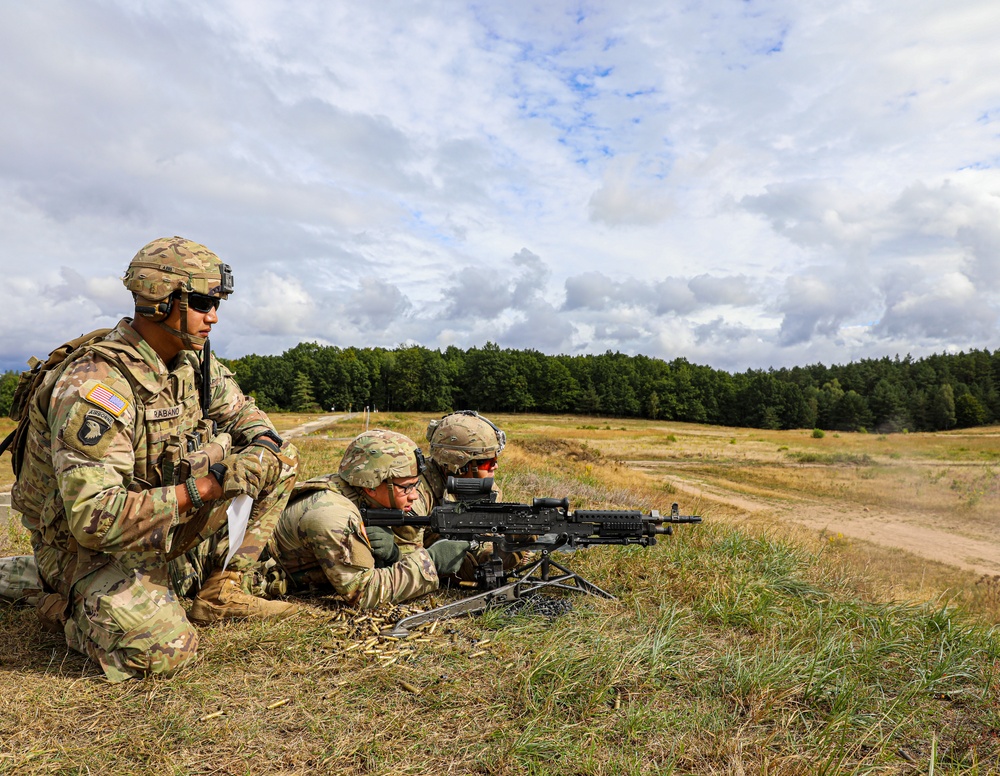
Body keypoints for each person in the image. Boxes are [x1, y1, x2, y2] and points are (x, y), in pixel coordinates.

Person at [9, 236, 298, 683]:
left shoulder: (193, 363)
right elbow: (92, 519)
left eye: (216, 302)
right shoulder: (98, 386)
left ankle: (222, 590)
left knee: (281, 459)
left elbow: (244, 413)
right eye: (202, 302)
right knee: (163, 651)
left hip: (160, 526)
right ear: (161, 302)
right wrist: (211, 484)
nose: (213, 316)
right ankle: (57, 599)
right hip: (87, 550)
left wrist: (259, 445)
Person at [264, 429, 469, 608]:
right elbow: (365, 593)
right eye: (406, 487)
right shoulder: (333, 513)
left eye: (415, 485)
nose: (414, 495)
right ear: (371, 485)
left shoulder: (355, 492)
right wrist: (431, 563)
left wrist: (393, 553)